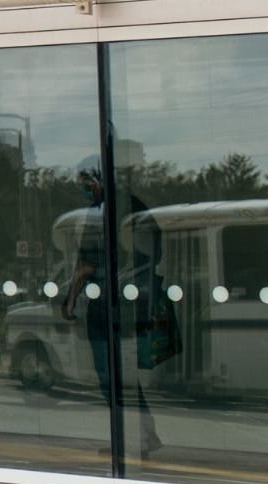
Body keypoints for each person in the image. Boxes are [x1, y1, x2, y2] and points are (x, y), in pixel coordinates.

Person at [58, 161, 162, 458]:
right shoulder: (123, 209)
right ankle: (140, 434)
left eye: (87, 182)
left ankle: (133, 435)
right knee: (118, 374)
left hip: (112, 305)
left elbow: (85, 266)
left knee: (111, 374)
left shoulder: (105, 215)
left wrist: (71, 297)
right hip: (127, 303)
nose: (84, 190)